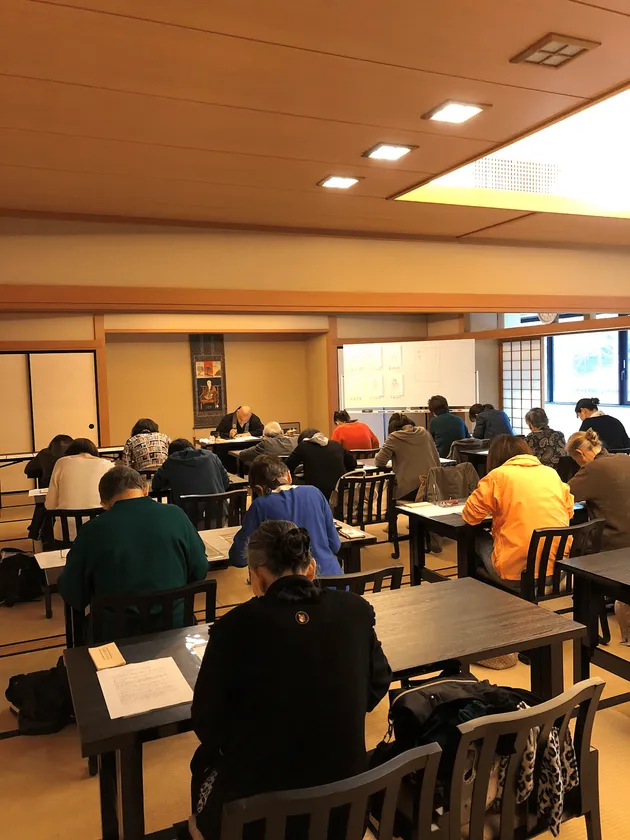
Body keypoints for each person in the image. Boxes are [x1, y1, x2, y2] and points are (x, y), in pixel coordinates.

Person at [191, 518, 392, 839]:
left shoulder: (233, 627)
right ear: (311, 569)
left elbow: (207, 723)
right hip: (345, 803)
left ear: (256, 576)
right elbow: (378, 682)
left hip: (260, 818)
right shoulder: (355, 611)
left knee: (202, 766)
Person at [58, 465, 208, 635]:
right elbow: (200, 569)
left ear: (104, 503)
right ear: (145, 489)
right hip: (176, 626)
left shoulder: (92, 530)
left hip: (115, 633)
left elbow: (74, 593)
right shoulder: (176, 515)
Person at [462, 435, 573, 588]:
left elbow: (470, 517)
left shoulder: (497, 476)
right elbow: (569, 511)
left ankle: (472, 590)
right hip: (558, 570)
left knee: (474, 537)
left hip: (516, 575)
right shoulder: (551, 473)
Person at [229, 455, 343, 575]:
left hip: (292, 583)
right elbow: (335, 545)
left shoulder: (260, 505)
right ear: (289, 475)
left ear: (259, 489)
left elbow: (239, 558)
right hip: (333, 578)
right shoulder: (315, 492)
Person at [567, 428, 630, 551]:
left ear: (580, 453)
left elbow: (563, 495)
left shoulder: (592, 469)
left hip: (612, 543)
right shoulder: (626, 459)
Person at [45, 438, 113, 542]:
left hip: (66, 533)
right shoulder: (107, 464)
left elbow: (50, 505)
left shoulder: (61, 463)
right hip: (101, 532)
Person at [375, 413, 439, 500]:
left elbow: (379, 462)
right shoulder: (424, 432)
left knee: (386, 492)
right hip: (433, 487)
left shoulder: (394, 437)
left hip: (410, 491)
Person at [285, 428, 357, 501]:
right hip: (341, 493)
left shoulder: (303, 446)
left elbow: (286, 467)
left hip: (317, 495)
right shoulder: (336, 444)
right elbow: (353, 464)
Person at [152, 439, 229, 504]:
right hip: (220, 513)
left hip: (185, 516)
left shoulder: (172, 462)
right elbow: (226, 483)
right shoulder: (211, 456)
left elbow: (156, 485)